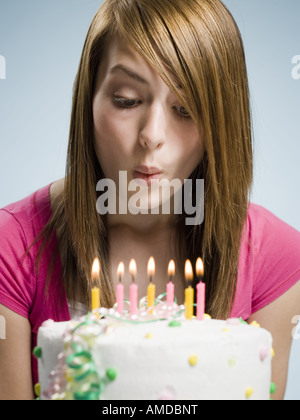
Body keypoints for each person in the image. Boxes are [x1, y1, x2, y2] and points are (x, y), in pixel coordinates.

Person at [0, 0, 299, 401]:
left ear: (222, 121)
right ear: (89, 100)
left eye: (185, 108)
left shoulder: (276, 258)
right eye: (127, 99)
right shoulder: (13, 245)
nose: (152, 135)